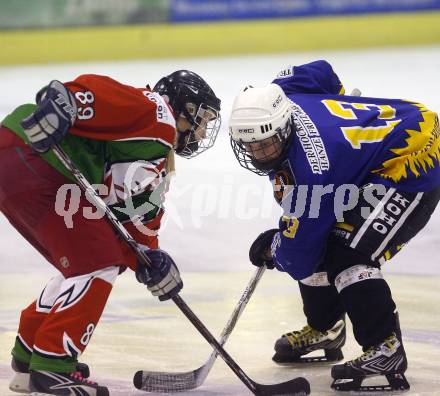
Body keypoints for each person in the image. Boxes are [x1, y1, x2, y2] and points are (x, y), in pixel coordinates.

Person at [0, 70, 221, 395]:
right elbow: (101, 92)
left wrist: (150, 258)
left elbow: (136, 219)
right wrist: (68, 99)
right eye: (202, 118)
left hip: (24, 165)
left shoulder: (159, 160)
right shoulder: (157, 112)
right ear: (182, 106)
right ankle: (53, 365)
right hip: (36, 159)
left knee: (88, 263)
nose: (202, 131)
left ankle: (29, 358)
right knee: (96, 264)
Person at [228, 60, 440, 392]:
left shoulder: (310, 175)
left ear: (283, 129)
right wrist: (339, 103)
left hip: (413, 154)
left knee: (347, 251)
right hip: (388, 138)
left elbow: (298, 254)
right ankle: (326, 328)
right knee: (322, 237)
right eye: (249, 145)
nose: (258, 153)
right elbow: (318, 71)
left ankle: (386, 350)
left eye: (265, 144)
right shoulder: (279, 97)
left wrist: (275, 247)